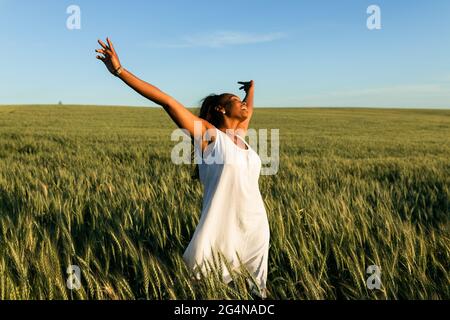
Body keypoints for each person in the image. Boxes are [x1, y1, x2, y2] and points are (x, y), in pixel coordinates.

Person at [95, 38, 270, 298]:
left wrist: (250, 90)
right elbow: (167, 101)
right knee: (199, 288)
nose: (244, 105)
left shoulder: (241, 136)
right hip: (219, 225)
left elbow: (249, 111)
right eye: (236, 100)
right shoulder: (209, 136)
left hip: (255, 226)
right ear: (221, 109)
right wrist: (120, 71)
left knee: (256, 294)